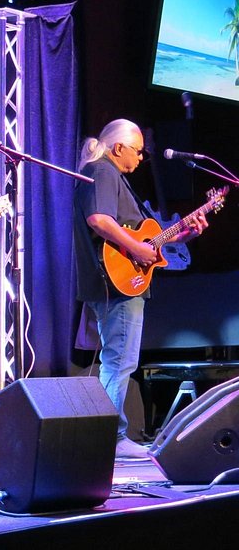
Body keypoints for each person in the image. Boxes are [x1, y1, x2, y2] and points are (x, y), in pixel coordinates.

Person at [73, 118, 206, 459]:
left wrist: (186, 232)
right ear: (119, 148)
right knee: (118, 362)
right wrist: (135, 249)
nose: (141, 157)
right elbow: (99, 220)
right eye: (137, 151)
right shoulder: (103, 171)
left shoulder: (114, 177)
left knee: (120, 360)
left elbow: (149, 239)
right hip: (116, 283)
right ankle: (110, 440)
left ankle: (107, 438)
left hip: (124, 282)